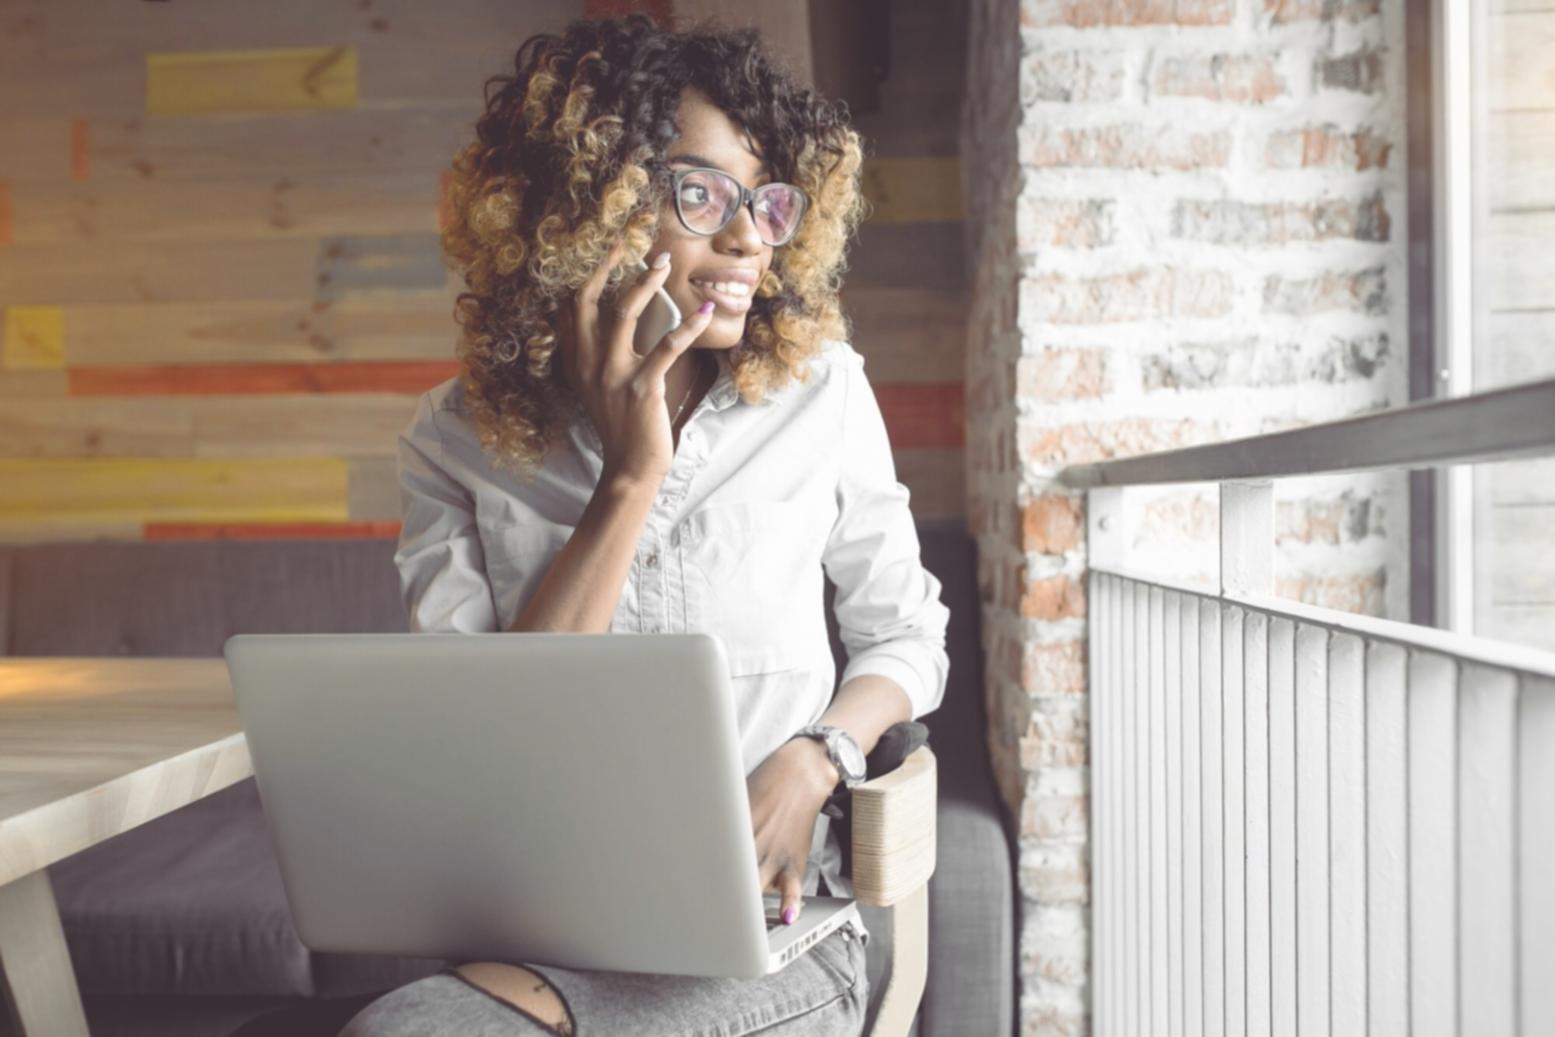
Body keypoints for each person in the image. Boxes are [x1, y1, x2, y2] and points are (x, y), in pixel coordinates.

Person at [341, 13, 950, 1036]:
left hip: (777, 935)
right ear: (590, 205)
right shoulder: (454, 441)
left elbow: (907, 633)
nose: (748, 237)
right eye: (699, 192)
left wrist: (819, 756)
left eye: (764, 202)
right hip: (549, 939)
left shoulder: (822, 393)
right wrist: (629, 480)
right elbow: (495, 744)